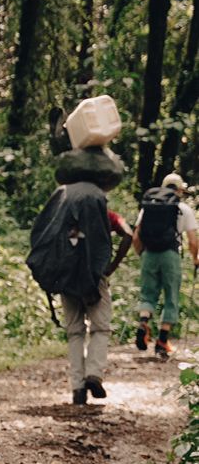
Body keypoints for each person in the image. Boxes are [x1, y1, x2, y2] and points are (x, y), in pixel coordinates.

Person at [61, 199, 132, 405]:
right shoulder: (107, 216)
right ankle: (93, 374)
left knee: (74, 332)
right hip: (95, 276)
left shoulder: (63, 215)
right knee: (100, 328)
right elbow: (128, 234)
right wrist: (111, 266)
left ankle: (77, 388)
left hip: (67, 277)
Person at [133, 172, 199, 359]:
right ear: (179, 189)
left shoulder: (148, 207)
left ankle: (144, 322)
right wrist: (196, 259)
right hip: (171, 255)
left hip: (149, 254)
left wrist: (142, 254)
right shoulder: (182, 208)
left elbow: (136, 236)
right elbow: (193, 240)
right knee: (171, 296)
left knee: (147, 293)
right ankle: (162, 341)